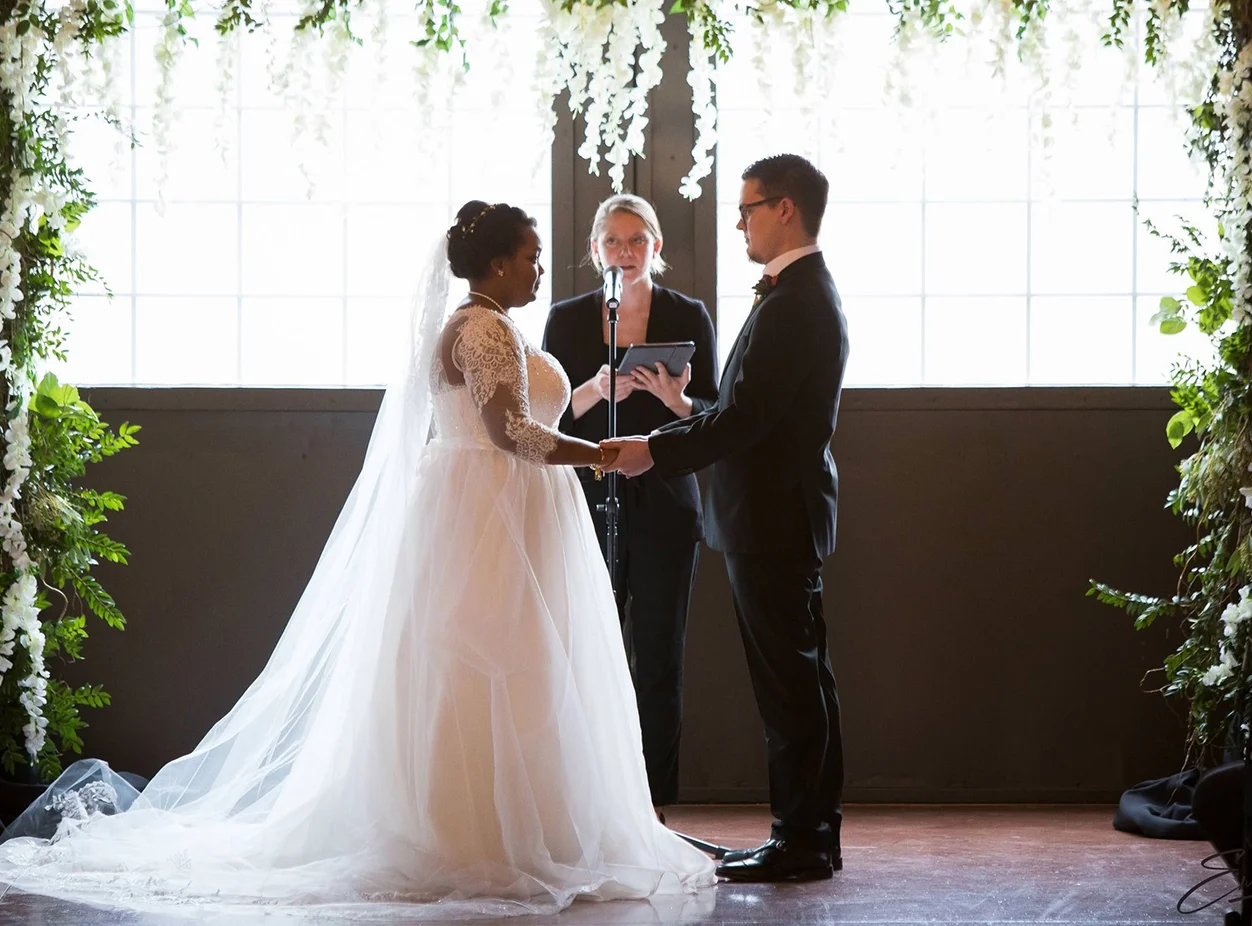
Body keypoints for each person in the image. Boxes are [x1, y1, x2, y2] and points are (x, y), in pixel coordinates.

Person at [0, 201, 716, 918]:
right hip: (491, 514)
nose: (539, 267)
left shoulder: (492, 324)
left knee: (525, 665)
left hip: (508, 509)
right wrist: (602, 455)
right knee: (492, 660)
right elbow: (509, 432)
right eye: (530, 255)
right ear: (498, 262)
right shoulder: (482, 328)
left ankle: (531, 821)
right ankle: (478, 833)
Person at [603, 155, 849, 883]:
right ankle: (812, 833)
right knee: (804, 684)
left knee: (791, 690)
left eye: (747, 208)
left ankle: (800, 840)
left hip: (771, 518)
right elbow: (750, 415)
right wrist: (687, 414)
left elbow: (746, 421)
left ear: (785, 209)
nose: (738, 220)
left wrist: (654, 449)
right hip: (772, 514)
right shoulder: (796, 292)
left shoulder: (799, 299)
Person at [543, 194, 717, 819]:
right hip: (589, 495)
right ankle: (585, 802)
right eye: (612, 242)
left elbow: (715, 417)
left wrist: (674, 401)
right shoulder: (567, 319)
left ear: (656, 247)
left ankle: (652, 805)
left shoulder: (687, 314)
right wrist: (597, 387)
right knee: (584, 648)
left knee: (659, 653)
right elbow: (546, 419)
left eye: (636, 241)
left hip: (667, 499)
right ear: (594, 250)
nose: (624, 253)